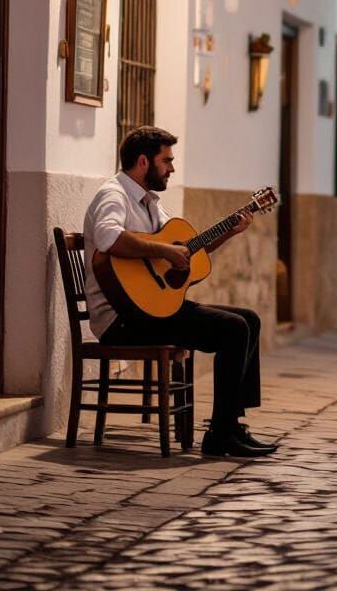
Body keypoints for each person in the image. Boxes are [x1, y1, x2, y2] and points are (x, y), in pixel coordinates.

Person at [83, 126, 276, 458]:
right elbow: (107, 237)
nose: (172, 168)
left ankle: (231, 424)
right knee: (234, 328)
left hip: (149, 310)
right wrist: (164, 251)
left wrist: (229, 231)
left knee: (249, 319)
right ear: (143, 162)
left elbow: (186, 249)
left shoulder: (149, 203)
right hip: (123, 319)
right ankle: (220, 435)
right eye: (167, 160)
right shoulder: (113, 194)